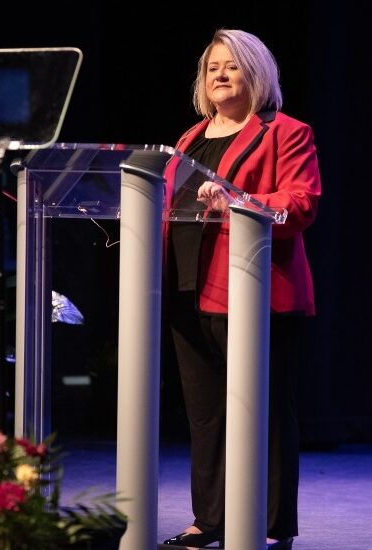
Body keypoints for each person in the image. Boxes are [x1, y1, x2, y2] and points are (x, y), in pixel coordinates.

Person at [162, 30, 321, 550]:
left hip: (254, 290)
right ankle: (209, 521)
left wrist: (236, 197)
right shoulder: (187, 138)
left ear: (256, 73)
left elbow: (299, 205)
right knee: (205, 413)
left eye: (232, 66)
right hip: (187, 286)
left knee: (266, 410)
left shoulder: (287, 132)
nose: (220, 76)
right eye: (212, 68)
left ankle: (272, 526)